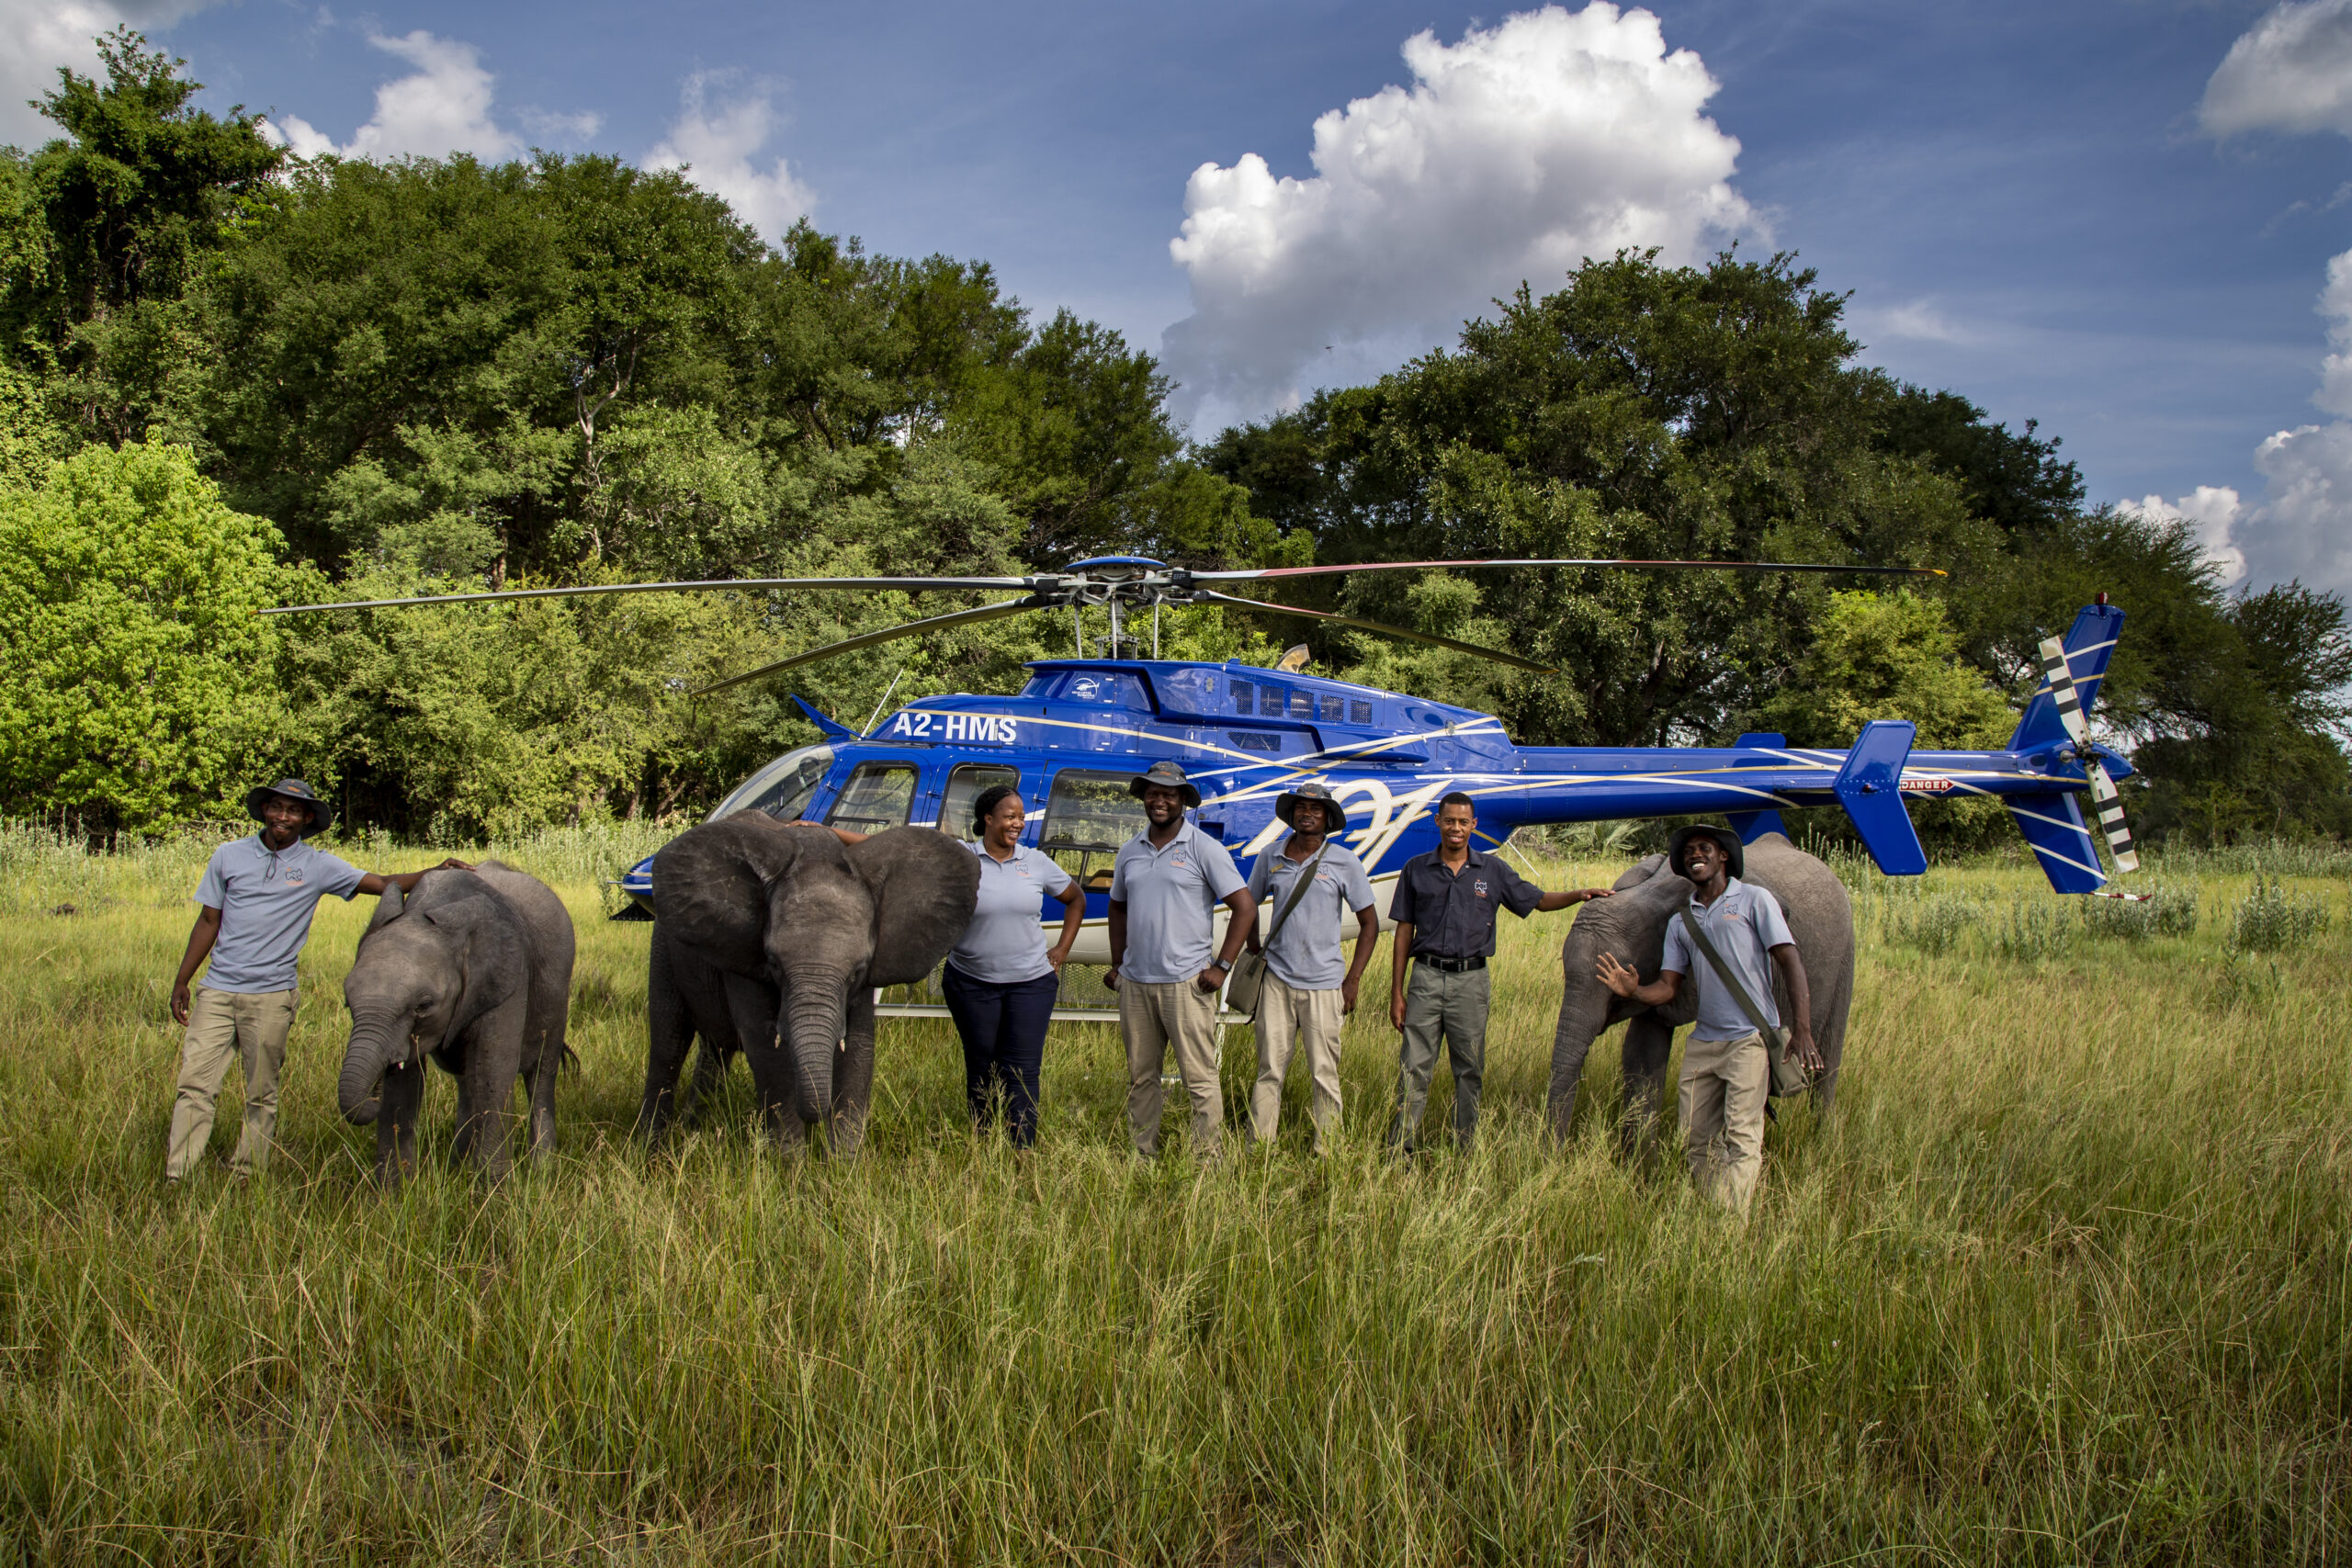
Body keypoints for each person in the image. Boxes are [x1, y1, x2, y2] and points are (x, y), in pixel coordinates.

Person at [164, 780, 470, 1183]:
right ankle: (179, 1175)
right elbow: (208, 921)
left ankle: (246, 1174)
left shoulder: (317, 865)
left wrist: (436, 872)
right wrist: (183, 979)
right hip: (218, 990)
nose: (282, 817)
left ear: (307, 819)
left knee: (261, 1093)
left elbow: (381, 884)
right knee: (194, 1087)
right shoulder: (228, 856)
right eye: (276, 807)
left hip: (272, 994)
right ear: (264, 811)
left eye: (293, 811)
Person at [1595, 825, 1822, 1216]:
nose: (1695, 855)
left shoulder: (1754, 899)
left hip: (1748, 1041)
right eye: (1688, 852)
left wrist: (1802, 1028)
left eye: (1704, 849)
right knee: (1695, 1139)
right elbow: (1668, 988)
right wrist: (1633, 991)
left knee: (1742, 1138)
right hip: (1703, 1044)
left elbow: (1789, 960)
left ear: (1723, 858)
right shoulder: (1683, 921)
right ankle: (1717, 1209)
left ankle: (1729, 1228)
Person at [1386, 792, 1613, 1154]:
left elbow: (1537, 900)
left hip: (1471, 982)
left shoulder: (1493, 871)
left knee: (1470, 1069)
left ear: (1473, 825)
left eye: (1463, 822)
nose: (1456, 828)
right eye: (1449, 820)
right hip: (1425, 978)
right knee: (1413, 1067)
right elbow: (1403, 931)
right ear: (1438, 822)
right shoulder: (1416, 869)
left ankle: (1466, 1148)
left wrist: (1579, 893)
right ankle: (1400, 1150)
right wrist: (1397, 992)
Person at [1105, 760, 1256, 1159]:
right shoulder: (1129, 850)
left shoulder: (1204, 849)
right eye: (1153, 793)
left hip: (1187, 984)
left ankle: (1209, 1159)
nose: (1159, 800)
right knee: (1141, 1078)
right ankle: (1142, 1155)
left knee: (1200, 1078)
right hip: (1136, 984)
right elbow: (1117, 907)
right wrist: (1118, 964)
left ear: (1183, 802)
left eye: (1168, 794)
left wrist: (1221, 966)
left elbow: (1245, 908)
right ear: (1143, 798)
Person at [938, 784, 1086, 1147]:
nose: (1018, 823)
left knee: (1022, 1071)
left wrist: (1061, 950)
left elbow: (1076, 899)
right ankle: (984, 1144)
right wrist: (828, 833)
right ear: (988, 819)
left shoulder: (1034, 862)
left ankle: (1022, 1149)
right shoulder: (962, 857)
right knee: (982, 1067)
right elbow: (904, 848)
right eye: (1009, 816)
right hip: (971, 983)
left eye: (1021, 816)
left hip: (1031, 984)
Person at [1241, 783, 1377, 1155]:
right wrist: (1254, 948)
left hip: (1325, 984)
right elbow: (1247, 906)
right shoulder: (1270, 857)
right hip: (1277, 982)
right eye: (1301, 807)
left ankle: (1328, 1150)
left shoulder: (1343, 861)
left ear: (1327, 818)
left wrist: (1352, 981)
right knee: (1269, 1068)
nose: (1307, 814)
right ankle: (1260, 1148)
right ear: (1292, 814)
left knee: (1324, 1073)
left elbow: (1370, 923)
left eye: (1316, 810)